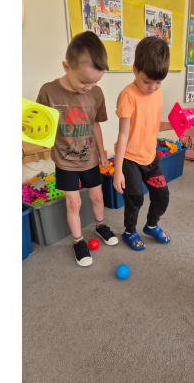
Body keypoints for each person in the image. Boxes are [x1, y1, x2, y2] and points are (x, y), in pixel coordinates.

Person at [36, 31, 118, 267]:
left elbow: (95, 125)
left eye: (95, 82)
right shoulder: (48, 92)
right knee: (74, 203)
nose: (89, 87)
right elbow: (40, 126)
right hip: (65, 161)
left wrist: (102, 153)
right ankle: (78, 240)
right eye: (84, 82)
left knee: (97, 196)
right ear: (66, 67)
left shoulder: (96, 93)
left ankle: (100, 225)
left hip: (90, 158)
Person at [113, 37, 172, 251]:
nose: (152, 87)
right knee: (135, 198)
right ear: (135, 70)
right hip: (130, 159)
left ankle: (151, 225)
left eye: (158, 82)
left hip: (151, 157)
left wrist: (177, 124)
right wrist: (118, 170)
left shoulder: (158, 95)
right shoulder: (128, 95)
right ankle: (129, 231)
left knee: (162, 196)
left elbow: (154, 126)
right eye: (147, 81)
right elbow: (123, 135)